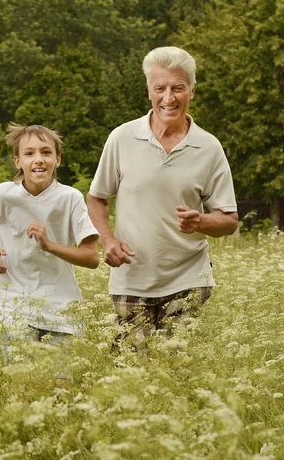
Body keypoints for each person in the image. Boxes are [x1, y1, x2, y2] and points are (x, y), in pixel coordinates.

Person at [87, 46, 238, 348]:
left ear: (191, 91)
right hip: (131, 280)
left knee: (175, 375)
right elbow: (97, 199)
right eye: (161, 88)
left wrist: (201, 221)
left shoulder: (208, 147)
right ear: (149, 91)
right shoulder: (122, 138)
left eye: (178, 88)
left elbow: (229, 220)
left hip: (188, 279)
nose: (169, 98)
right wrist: (108, 240)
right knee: (133, 378)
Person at [0, 124, 99, 360]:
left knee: (59, 387)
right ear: (17, 161)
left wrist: (49, 245)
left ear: (58, 159)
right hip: (16, 309)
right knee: (21, 386)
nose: (38, 159)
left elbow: (92, 258)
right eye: (29, 153)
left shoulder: (70, 198)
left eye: (46, 152)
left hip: (60, 310)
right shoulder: (3, 195)